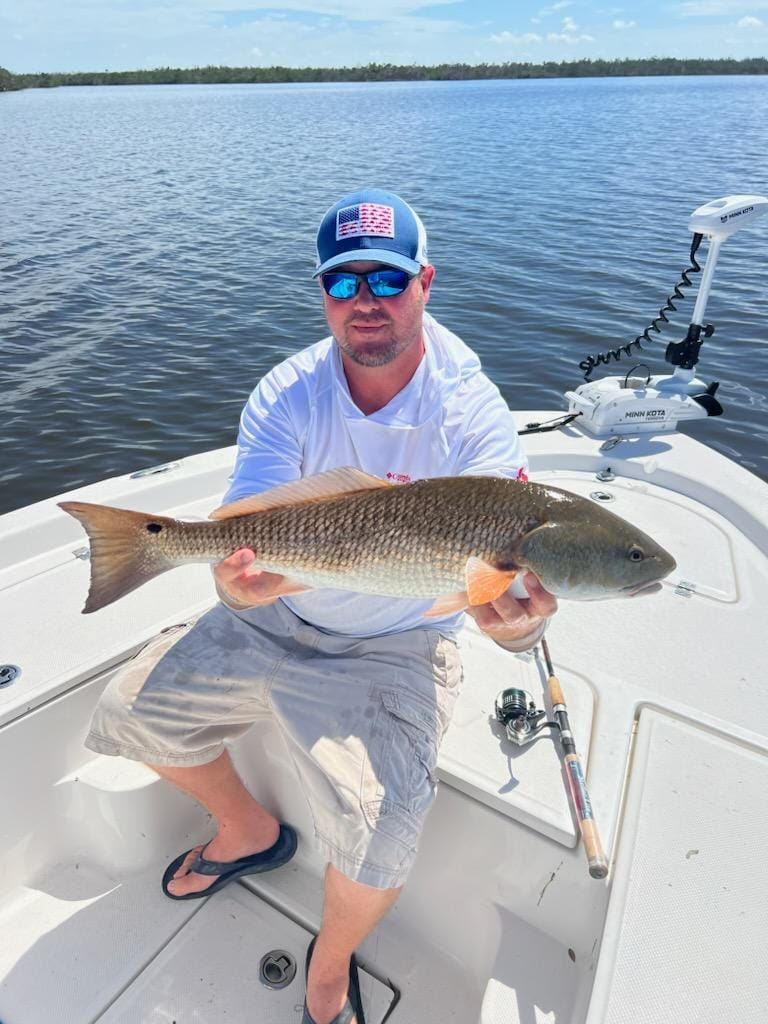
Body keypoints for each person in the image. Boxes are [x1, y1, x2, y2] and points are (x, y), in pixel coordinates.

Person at [85, 188, 558, 1024]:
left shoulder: (470, 407)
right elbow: (247, 531)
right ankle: (249, 833)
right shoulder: (288, 390)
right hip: (275, 611)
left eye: (386, 279)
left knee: (385, 831)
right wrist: (233, 579)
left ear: (425, 283)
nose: (364, 300)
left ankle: (331, 958)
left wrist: (520, 621)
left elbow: (510, 591)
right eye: (343, 284)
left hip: (397, 640)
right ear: (322, 294)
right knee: (127, 714)